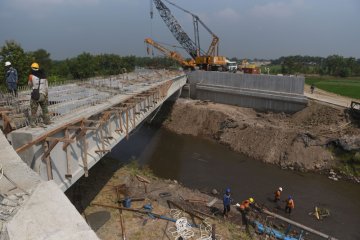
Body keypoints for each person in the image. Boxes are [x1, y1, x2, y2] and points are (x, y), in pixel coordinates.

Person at [28, 62, 50, 127]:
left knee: (33, 110)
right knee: (45, 109)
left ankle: (33, 123)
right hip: (43, 94)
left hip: (35, 96)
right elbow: (46, 87)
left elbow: (29, 85)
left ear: (32, 68)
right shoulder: (44, 76)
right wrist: (46, 95)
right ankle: (47, 121)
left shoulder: (31, 76)